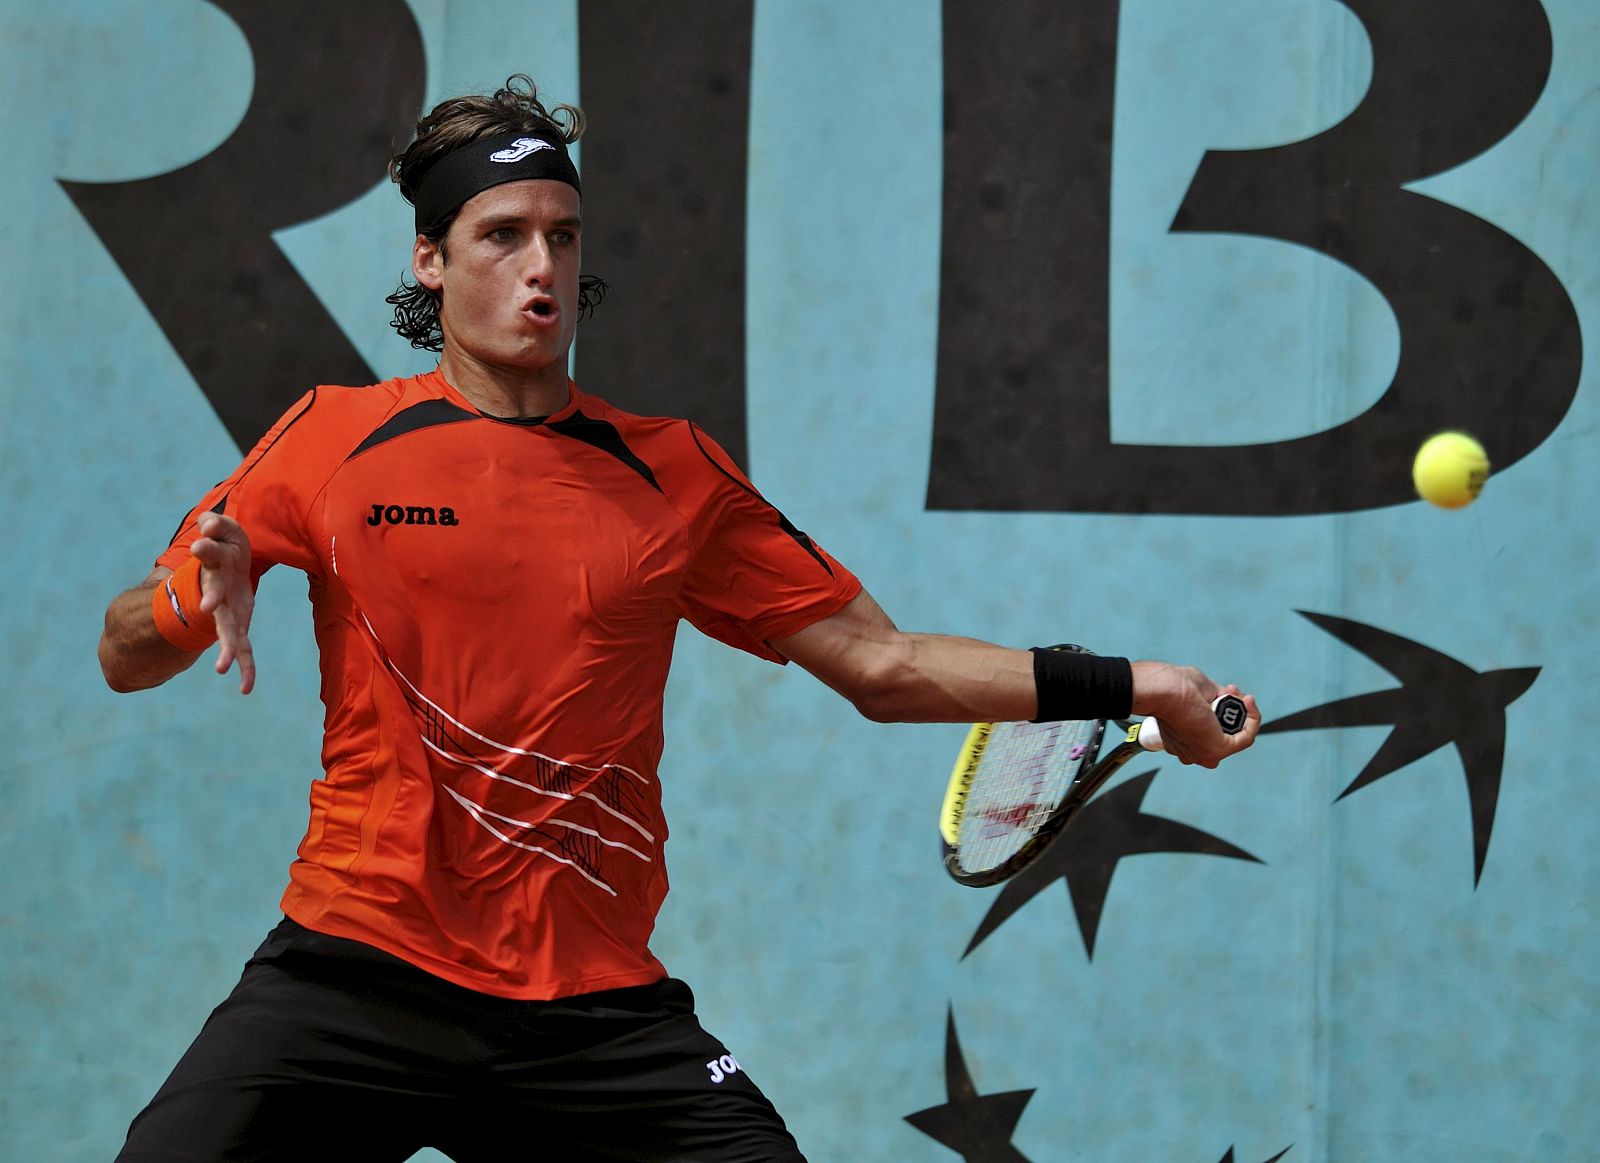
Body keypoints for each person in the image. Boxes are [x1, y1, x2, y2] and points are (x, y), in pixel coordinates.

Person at [98, 75, 1260, 1162]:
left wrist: (1139, 685)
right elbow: (123, 653)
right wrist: (188, 602)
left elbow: (883, 663)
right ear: (431, 261)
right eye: (501, 235)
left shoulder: (673, 473)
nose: (539, 265)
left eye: (562, 233)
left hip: (591, 1013)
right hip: (355, 971)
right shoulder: (330, 439)